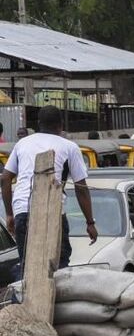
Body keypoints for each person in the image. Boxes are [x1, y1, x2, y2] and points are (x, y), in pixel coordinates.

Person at [1, 106, 97, 275]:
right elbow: (81, 188)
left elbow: (5, 178)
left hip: (23, 211)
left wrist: (9, 214)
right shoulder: (69, 147)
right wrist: (90, 222)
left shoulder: (22, 144)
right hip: (53, 212)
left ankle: (30, 299)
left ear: (39, 124)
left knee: (28, 266)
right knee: (58, 265)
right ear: (61, 125)